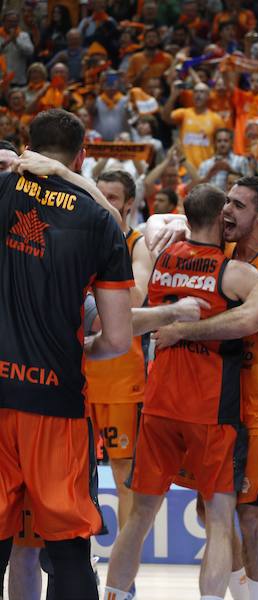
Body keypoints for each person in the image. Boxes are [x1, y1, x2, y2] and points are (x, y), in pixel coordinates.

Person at [103, 184, 258, 600]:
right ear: (216, 216)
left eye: (238, 205)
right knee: (218, 517)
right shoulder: (232, 268)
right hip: (211, 409)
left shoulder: (160, 256)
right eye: (226, 203)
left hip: (185, 402)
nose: (229, 211)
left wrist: (173, 324)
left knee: (154, 517)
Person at [0, 109, 134, 600]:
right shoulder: (99, 219)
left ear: (28, 145)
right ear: (82, 156)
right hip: (54, 398)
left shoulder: (3, 186)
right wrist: (81, 348)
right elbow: (118, 338)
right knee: (68, 541)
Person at [84, 171, 153, 537]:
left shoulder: (138, 244)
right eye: (100, 194)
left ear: (129, 203)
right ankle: (79, 558)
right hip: (78, 371)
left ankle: (123, 577)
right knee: (73, 472)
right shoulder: (82, 235)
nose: (104, 202)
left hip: (121, 379)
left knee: (123, 475)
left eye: (113, 197)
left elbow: (136, 299)